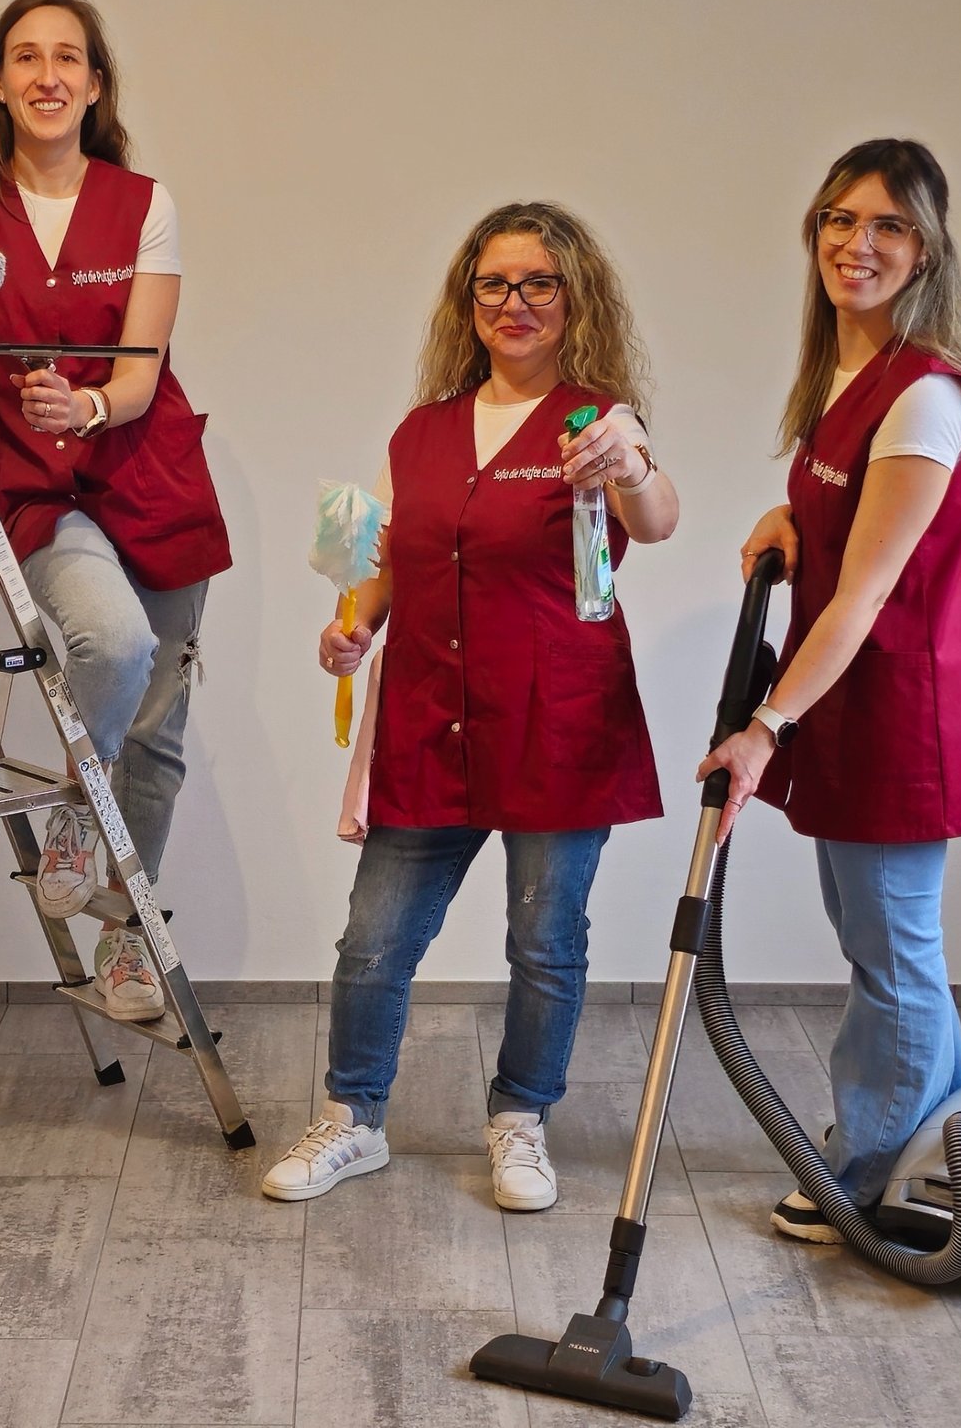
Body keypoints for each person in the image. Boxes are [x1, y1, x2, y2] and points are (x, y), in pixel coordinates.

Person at [262, 202, 680, 1210]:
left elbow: (657, 520)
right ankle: (353, 1118)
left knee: (546, 937)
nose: (516, 302)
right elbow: (382, 560)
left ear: (573, 298)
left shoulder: (600, 422)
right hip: (431, 718)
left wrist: (632, 461)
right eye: (495, 283)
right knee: (375, 938)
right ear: (469, 300)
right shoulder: (421, 432)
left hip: (560, 725)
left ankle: (521, 1117)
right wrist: (351, 623)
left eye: (539, 282)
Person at [0, 0, 228, 1023]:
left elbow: (143, 376)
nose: (48, 75)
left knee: (157, 735)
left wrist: (93, 399)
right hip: (34, 489)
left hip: (151, 479)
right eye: (25, 57)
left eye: (69, 57)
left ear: (96, 83)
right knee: (109, 645)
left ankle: (126, 935)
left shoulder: (144, 202)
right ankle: (77, 806)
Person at [698, 139, 961, 1243]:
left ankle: (870, 1161)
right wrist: (793, 520)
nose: (857, 243)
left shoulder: (925, 394)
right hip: (850, 694)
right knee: (886, 938)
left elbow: (872, 592)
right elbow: (848, 525)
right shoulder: (841, 373)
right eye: (840, 218)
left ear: (924, 248)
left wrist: (764, 726)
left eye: (886, 226)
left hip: (901, 708)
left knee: (889, 947)